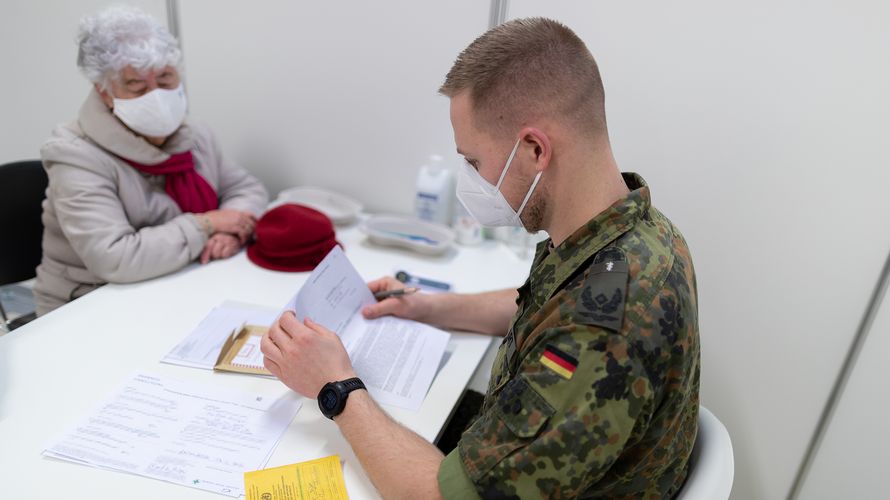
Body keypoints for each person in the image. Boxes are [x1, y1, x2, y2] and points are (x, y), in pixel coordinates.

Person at [261, 17, 700, 499]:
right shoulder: (635, 229)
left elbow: (440, 496)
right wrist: (429, 306)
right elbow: (549, 309)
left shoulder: (601, 334)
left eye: (474, 162)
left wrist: (336, 386)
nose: (473, 179)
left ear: (535, 150)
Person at [34, 6, 268, 315]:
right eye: (137, 86)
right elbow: (116, 258)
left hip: (179, 282)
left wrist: (230, 229)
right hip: (90, 304)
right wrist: (207, 224)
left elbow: (246, 189)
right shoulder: (74, 154)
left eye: (166, 79)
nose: (156, 96)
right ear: (105, 93)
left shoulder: (195, 134)